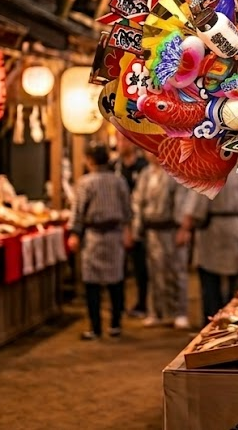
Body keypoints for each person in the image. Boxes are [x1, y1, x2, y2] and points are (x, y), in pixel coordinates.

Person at [185, 168, 238, 324]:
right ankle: (236, 322)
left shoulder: (211, 163)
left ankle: (213, 325)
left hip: (214, 229)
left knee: (211, 281)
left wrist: (190, 222)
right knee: (237, 280)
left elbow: (199, 201)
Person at [67, 143, 133, 340]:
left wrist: (74, 234)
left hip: (94, 236)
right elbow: (128, 210)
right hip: (115, 234)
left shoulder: (86, 182)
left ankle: (96, 327)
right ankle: (115, 325)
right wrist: (128, 231)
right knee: (116, 281)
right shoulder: (119, 181)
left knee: (92, 283)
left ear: (90, 160)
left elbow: (78, 211)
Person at [131, 154, 192, 329]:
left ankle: (180, 312)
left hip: (172, 228)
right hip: (152, 229)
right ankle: (155, 312)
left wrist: (183, 228)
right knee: (154, 272)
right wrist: (138, 228)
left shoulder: (176, 171)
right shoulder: (145, 173)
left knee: (177, 270)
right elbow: (137, 202)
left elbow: (182, 200)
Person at [114, 134, 149, 318]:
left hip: (139, 222)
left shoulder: (144, 167)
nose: (121, 144)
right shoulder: (114, 168)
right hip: (117, 223)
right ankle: (118, 306)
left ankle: (143, 303)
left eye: (125, 140)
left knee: (140, 266)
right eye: (118, 140)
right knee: (117, 267)